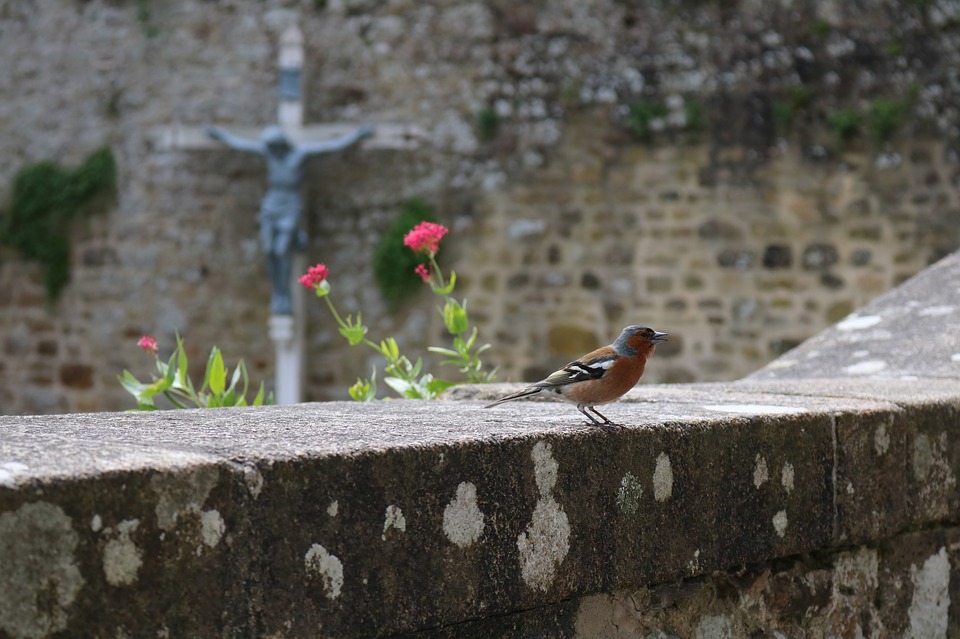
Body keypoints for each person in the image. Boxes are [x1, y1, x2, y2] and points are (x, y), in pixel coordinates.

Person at [207, 123, 375, 315]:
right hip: (272, 204)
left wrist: (356, 136)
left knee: (281, 250)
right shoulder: (269, 153)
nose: (270, 150)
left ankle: (285, 294)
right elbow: (241, 144)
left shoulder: (300, 153)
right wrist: (220, 134)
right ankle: (278, 292)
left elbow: (331, 146)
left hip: (290, 206)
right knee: (269, 249)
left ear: (281, 144)